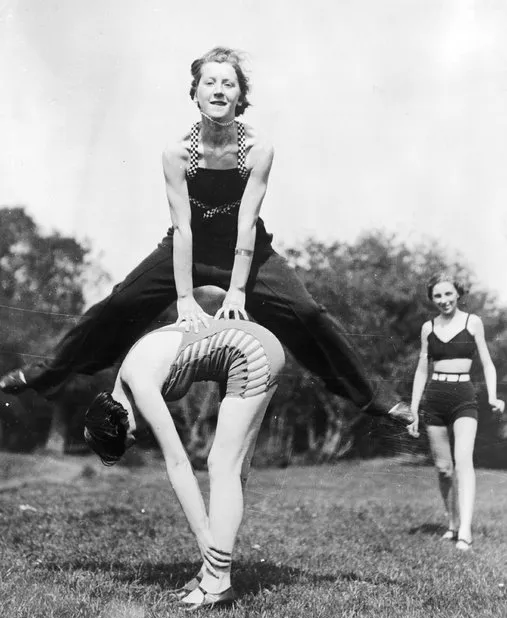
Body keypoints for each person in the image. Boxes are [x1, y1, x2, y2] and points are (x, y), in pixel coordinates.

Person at [0, 46, 413, 429]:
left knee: (308, 314)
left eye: (228, 83)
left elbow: (247, 224)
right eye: (209, 82)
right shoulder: (177, 153)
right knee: (122, 301)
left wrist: (236, 293)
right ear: (195, 93)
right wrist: (184, 300)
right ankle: (47, 371)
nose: (218, 90)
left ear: (240, 96)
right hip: (188, 245)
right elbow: (182, 229)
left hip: (247, 249)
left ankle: (373, 396)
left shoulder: (257, 149)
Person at [84, 316, 285, 610]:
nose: (139, 430)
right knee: (235, 467)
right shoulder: (130, 374)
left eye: (132, 435)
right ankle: (212, 573)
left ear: (117, 421)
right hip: (262, 346)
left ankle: (217, 583)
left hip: (251, 352)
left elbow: (178, 463)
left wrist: (202, 534)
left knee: (222, 464)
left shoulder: (138, 381)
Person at [408, 273, 504, 551]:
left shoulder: (472, 322)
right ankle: (452, 522)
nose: (444, 300)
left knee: (463, 460)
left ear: (457, 294)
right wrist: (413, 408)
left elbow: (487, 363)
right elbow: (422, 369)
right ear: (432, 299)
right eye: (437, 296)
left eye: (448, 294)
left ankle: (465, 531)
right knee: (443, 468)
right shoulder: (428, 327)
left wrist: (493, 396)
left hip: (464, 396)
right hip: (435, 398)